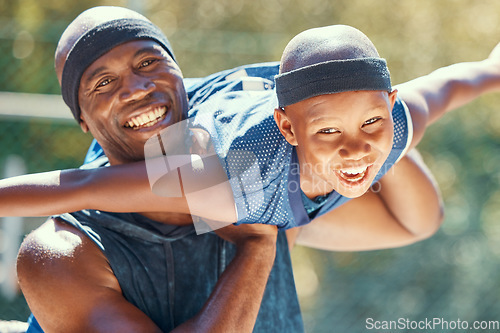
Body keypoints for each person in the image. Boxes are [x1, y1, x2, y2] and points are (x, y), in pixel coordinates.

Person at [6, 4, 480, 332]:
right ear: (83, 121)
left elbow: (415, 219)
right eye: (103, 82)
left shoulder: (273, 169)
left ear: (180, 75)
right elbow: (87, 186)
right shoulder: (64, 254)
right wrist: (256, 246)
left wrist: (365, 126)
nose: (136, 88)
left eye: (149, 61)